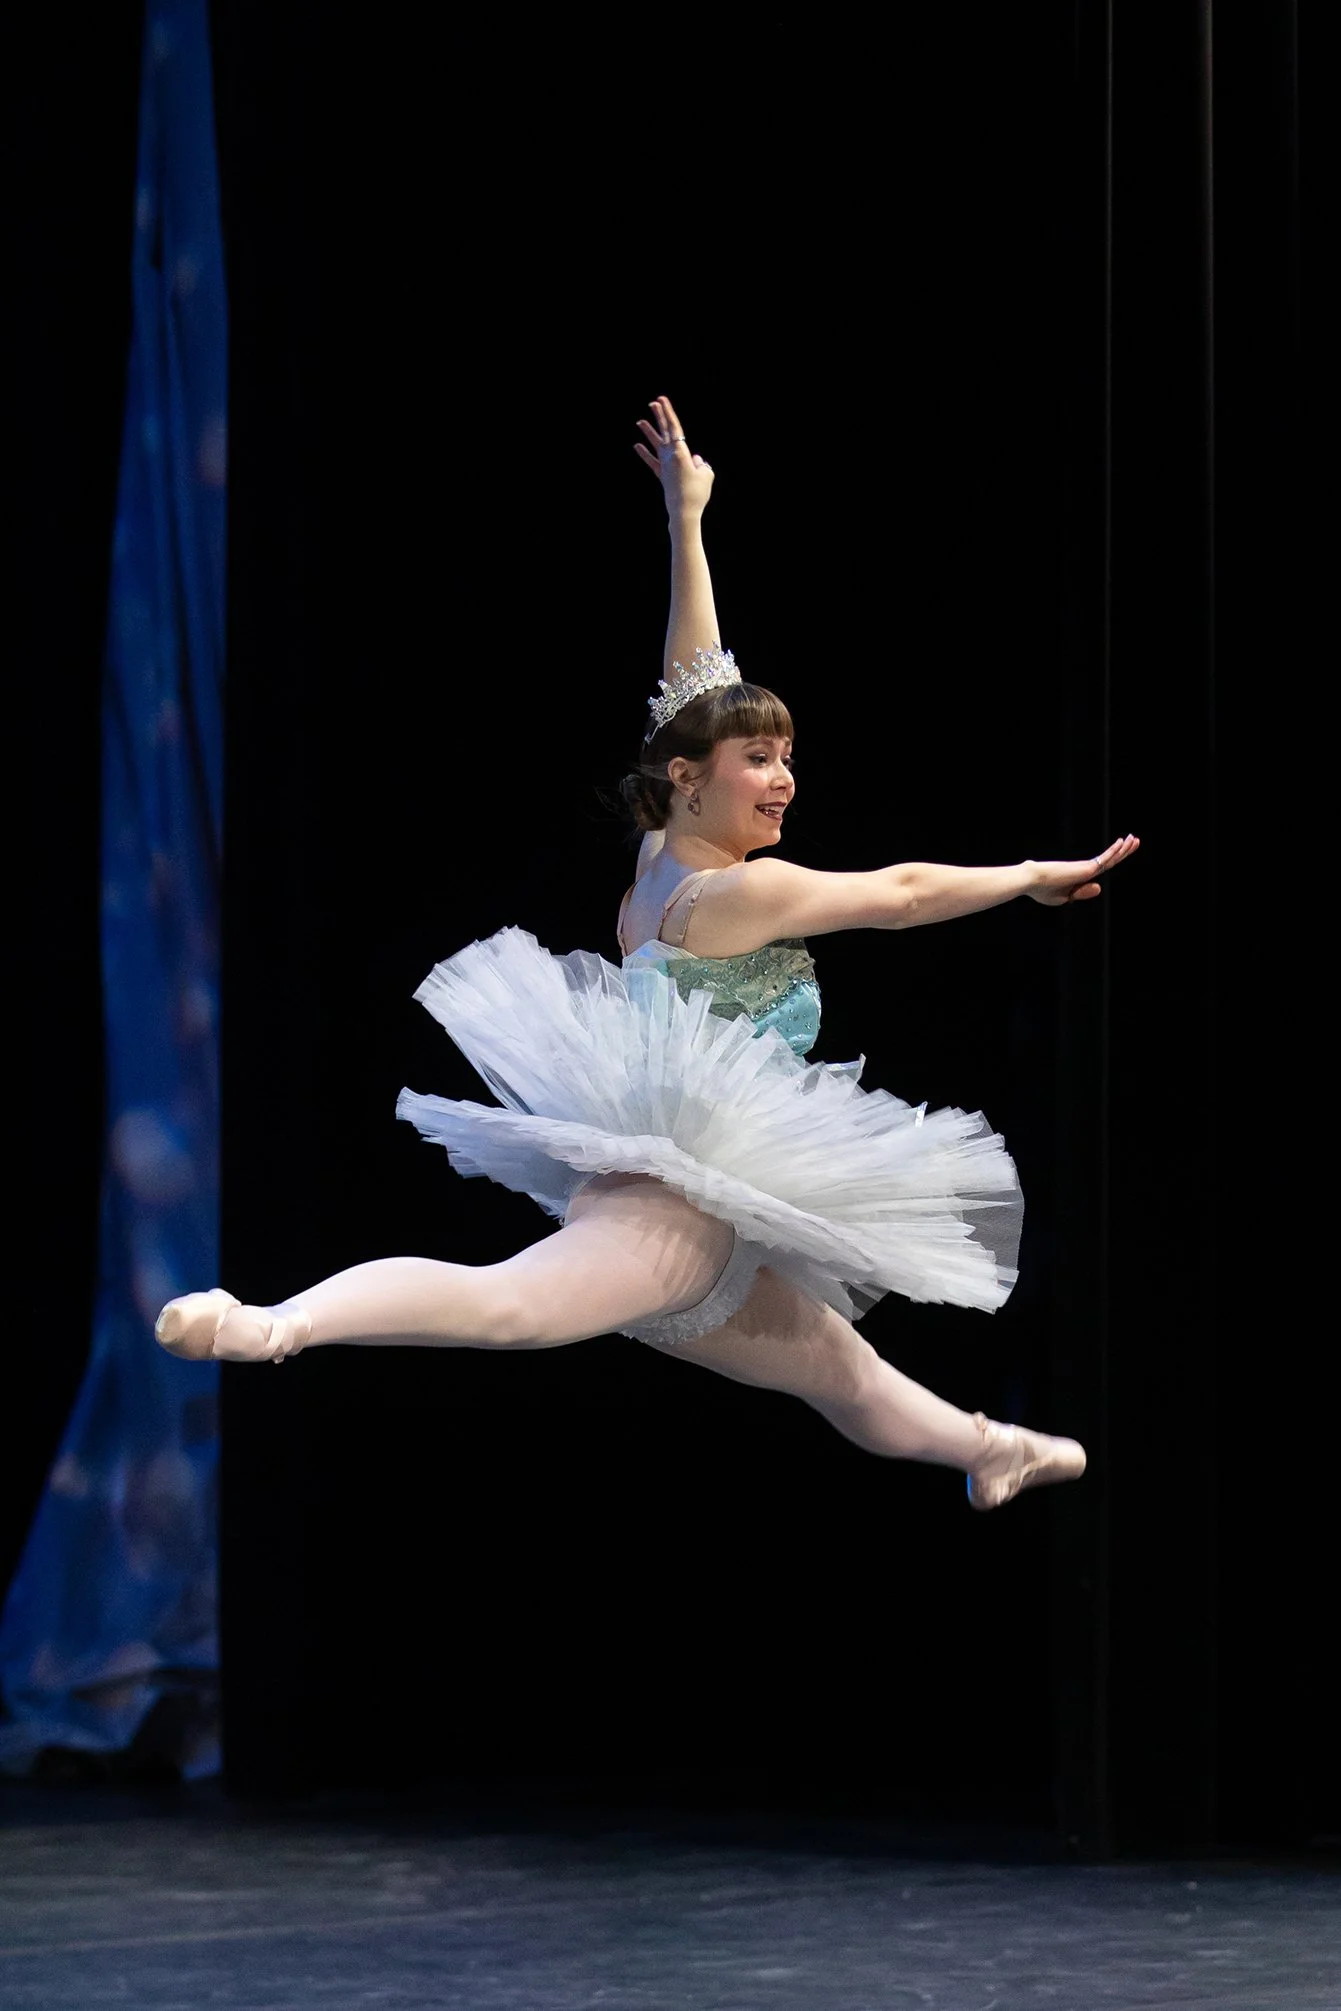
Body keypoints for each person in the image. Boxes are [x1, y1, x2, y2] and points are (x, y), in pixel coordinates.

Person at [157, 395, 1138, 1510]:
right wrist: (1027, 876)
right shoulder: (738, 892)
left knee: (848, 1375)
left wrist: (687, 518)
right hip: (667, 1205)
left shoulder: (660, 859)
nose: (785, 779)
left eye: (789, 758)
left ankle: (987, 1443)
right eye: (760, 758)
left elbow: (694, 674)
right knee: (512, 1307)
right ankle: (276, 1322)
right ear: (692, 778)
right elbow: (902, 894)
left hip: (702, 1211)